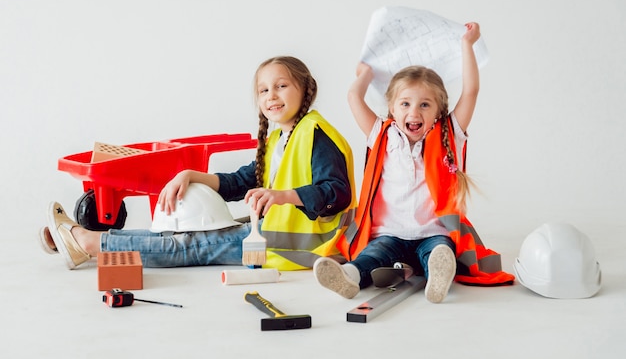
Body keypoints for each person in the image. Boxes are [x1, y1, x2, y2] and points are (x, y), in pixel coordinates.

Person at [41, 56, 356, 271]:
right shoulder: (279, 139)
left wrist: (283, 196)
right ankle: (85, 241)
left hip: (299, 249)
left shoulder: (316, 134)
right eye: (263, 90)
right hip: (273, 234)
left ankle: (89, 243)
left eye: (281, 86)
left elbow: (336, 193)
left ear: (306, 89)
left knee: (193, 246)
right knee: (186, 236)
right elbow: (242, 181)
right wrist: (192, 175)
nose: (271, 95)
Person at [314, 22, 514, 303]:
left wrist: (466, 46)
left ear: (439, 110)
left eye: (425, 104)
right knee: (371, 256)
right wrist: (366, 73)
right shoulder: (381, 134)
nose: (414, 111)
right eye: (405, 103)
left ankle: (438, 277)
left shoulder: (447, 134)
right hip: (389, 233)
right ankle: (349, 277)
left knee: (438, 251)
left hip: (433, 232)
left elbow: (470, 92)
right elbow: (352, 97)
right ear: (392, 108)